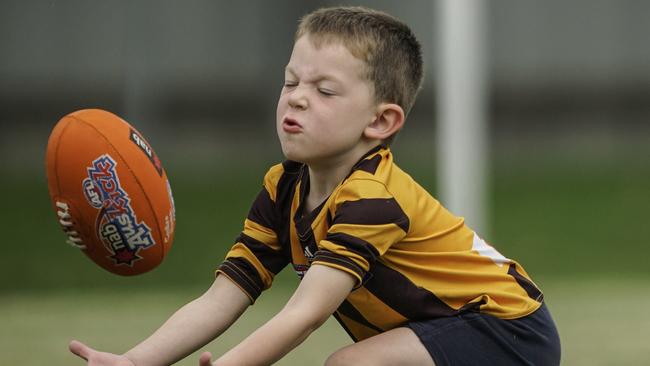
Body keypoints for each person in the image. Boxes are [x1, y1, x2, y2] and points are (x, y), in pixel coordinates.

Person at [69, 6, 561, 365]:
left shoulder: (372, 198)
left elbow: (303, 316)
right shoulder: (283, 188)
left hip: (507, 331)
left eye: (324, 90)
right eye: (290, 83)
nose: (297, 100)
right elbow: (225, 295)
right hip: (445, 330)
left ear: (382, 120)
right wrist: (136, 361)